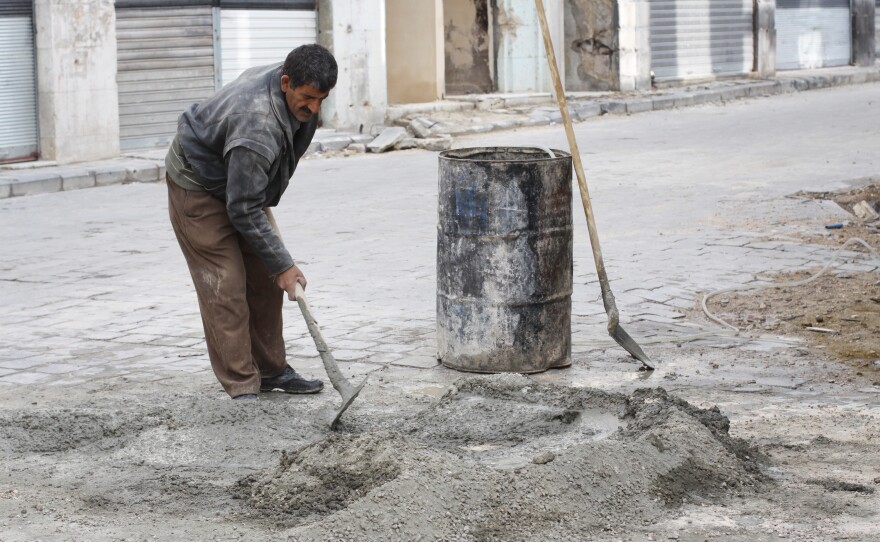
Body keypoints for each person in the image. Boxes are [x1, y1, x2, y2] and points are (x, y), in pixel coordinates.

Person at [165, 44, 337, 400]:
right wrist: (286, 264)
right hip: (197, 185)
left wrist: (278, 267)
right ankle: (242, 383)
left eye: (322, 99)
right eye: (308, 98)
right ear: (286, 82)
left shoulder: (297, 87)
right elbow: (242, 208)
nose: (315, 108)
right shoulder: (256, 125)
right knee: (225, 286)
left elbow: (248, 198)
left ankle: (273, 371)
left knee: (265, 277)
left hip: (240, 182)